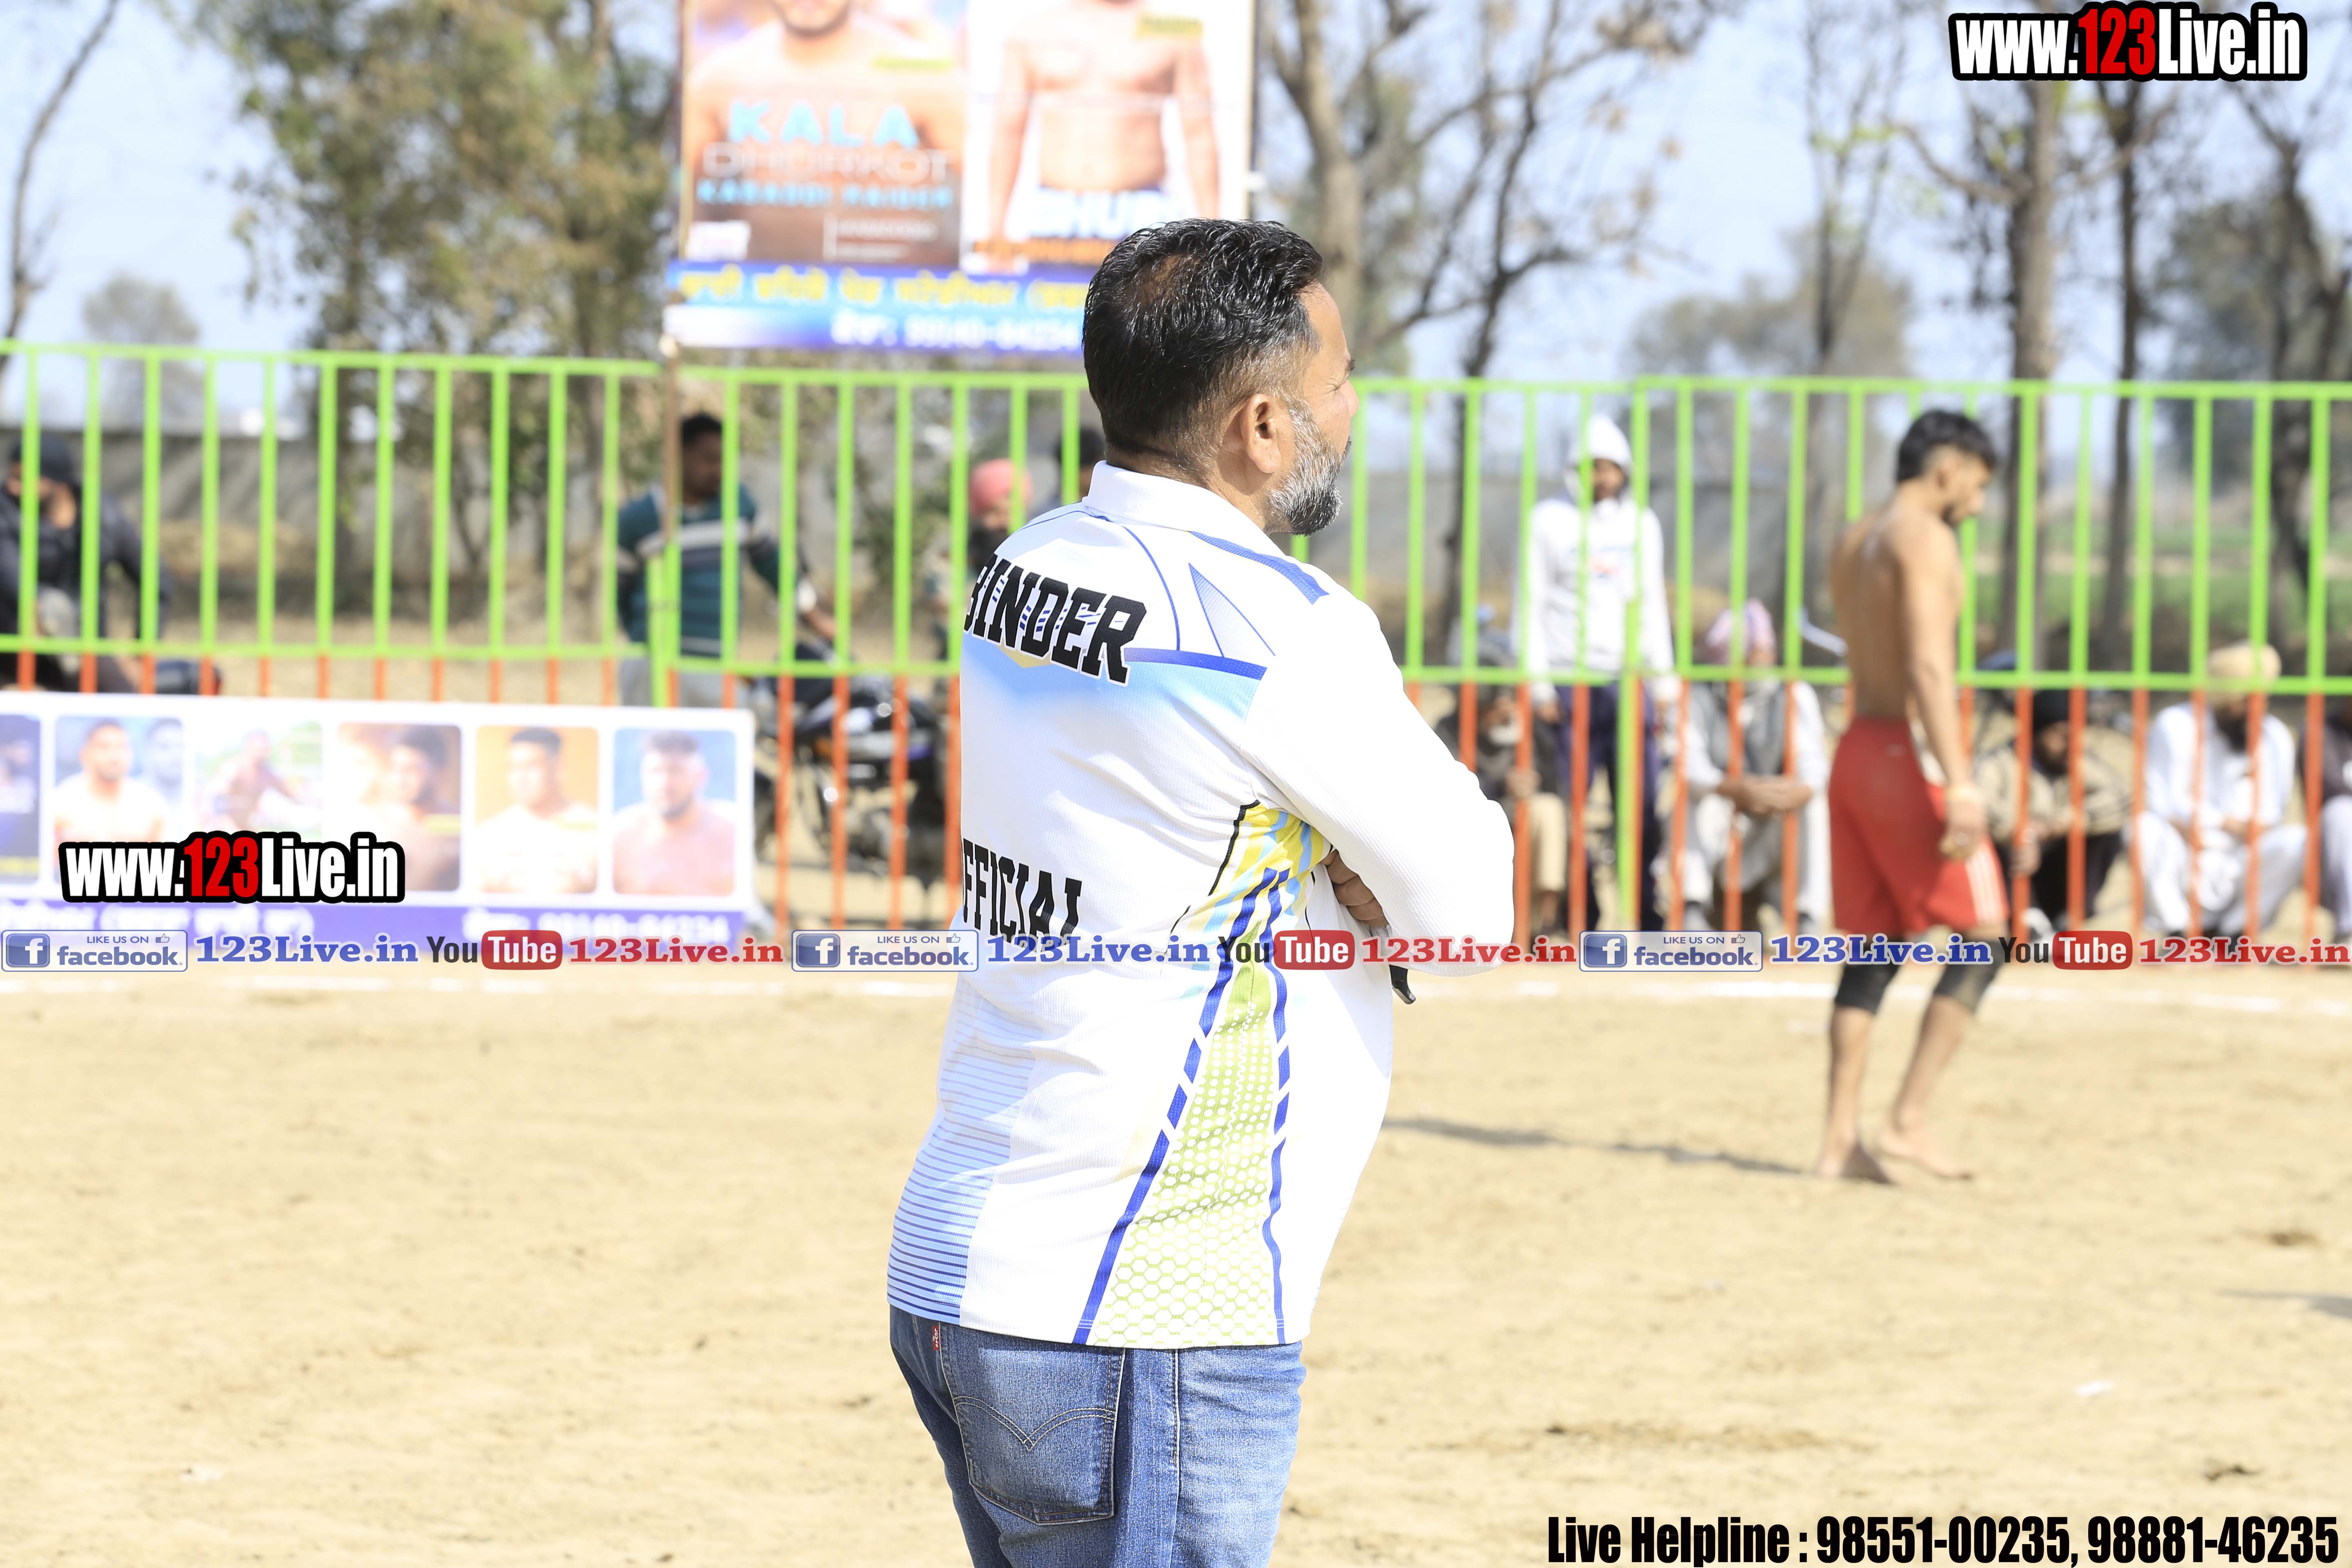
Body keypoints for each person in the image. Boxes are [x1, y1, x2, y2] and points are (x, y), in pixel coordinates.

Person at [886, 219, 1513, 1568]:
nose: (1354, 409)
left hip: (964, 1265)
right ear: (1263, 428)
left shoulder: (1026, 565)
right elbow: (1470, 915)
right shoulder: (1282, 628)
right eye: (1340, 380)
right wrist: (1352, 873)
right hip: (1149, 1303)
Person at [1819, 410, 2007, 1184]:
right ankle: (1908, 1119)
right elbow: (1930, 666)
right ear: (1948, 468)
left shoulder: (1855, 538)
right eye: (1978, 485)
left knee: (1873, 949)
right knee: (1987, 936)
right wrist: (1959, 782)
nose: (1978, 504)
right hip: (1907, 756)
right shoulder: (1925, 537)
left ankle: (1838, 1141)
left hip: (1857, 750)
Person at [1514, 414, 1675, 929]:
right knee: (1572, 807)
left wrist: (1664, 681)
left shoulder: (1641, 524)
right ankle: (1582, 912)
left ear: (1624, 470)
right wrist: (1538, 685)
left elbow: (1652, 604)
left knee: (1642, 803)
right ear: (1575, 469)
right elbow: (1530, 603)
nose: (1602, 477)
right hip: (1567, 683)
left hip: (1627, 681)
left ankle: (1646, 909)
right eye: (1593, 467)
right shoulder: (1548, 521)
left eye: (1610, 467)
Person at [680, 0, 964, 267]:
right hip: (758, 290)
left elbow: (982, 204)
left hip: (894, 292)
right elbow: (681, 208)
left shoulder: (926, 78)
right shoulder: (718, 80)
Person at [615, 412, 834, 708]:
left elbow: (774, 566)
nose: (717, 469)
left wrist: (815, 617)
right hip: (654, 664)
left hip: (716, 664)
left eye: (723, 460)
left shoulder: (739, 506)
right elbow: (620, 592)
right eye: (709, 459)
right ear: (679, 456)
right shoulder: (639, 518)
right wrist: (644, 634)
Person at [980, 0, 1219, 267]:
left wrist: (1212, 237)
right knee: (1047, 294)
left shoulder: (1173, 33)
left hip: (1141, 214)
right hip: (1056, 214)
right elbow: (1008, 132)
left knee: (1147, 295)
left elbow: (1199, 135)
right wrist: (996, 231)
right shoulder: (1033, 31)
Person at [1657, 600, 1830, 934]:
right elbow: (1688, 765)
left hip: (1773, 821)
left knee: (1814, 805)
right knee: (1688, 800)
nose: (1765, 659)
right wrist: (1737, 790)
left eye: (1767, 651)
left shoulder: (1793, 694)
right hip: (1721, 822)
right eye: (1755, 653)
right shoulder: (1696, 694)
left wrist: (1785, 793)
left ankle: (1808, 918)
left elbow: (1814, 768)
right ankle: (1692, 910)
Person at [2136, 643, 2304, 939]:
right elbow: (2158, 802)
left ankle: (2235, 933)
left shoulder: (2274, 737)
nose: (2255, 709)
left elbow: (2273, 814)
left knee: (2298, 841)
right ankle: (2179, 932)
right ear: (2223, 699)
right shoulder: (2175, 726)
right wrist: (2219, 823)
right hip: (2186, 850)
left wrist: (2240, 828)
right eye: (2245, 701)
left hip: (2243, 855)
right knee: (2143, 830)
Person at [2, 435, 170, 693]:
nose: (12, 487)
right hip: (14, 642)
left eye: (23, 479)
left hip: (86, 645)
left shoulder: (103, 516)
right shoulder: (5, 512)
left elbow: (155, 580)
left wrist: (140, 652)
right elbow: (12, 577)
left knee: (123, 704)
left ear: (57, 482)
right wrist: (39, 603)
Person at [1971, 682, 2130, 933]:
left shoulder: (2078, 762)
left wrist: (2056, 825)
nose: (2070, 744)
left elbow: (2122, 798)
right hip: (2013, 866)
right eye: (2061, 735)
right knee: (1989, 841)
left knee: (2108, 832)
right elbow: (1978, 804)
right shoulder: (1999, 763)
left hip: (2057, 867)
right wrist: (2022, 833)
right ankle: (2026, 921)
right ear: (2036, 733)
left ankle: (2070, 917)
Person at [611, 731, 738, 896]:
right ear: (643, 776)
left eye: (676, 771)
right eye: (655, 771)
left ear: (700, 776)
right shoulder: (620, 835)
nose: (665, 783)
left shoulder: (733, 830)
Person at [476, 728, 599, 895]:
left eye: (531, 766)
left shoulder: (594, 829)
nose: (521, 778)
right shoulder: (489, 834)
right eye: (513, 768)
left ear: (557, 769)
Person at [350, 727, 461, 892]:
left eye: (412, 769)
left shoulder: (459, 825)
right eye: (397, 768)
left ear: (439, 773)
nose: (401, 779)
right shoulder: (372, 827)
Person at [52, 719, 172, 846]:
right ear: (85, 754)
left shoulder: (151, 805)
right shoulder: (61, 803)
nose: (114, 756)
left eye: (121, 747)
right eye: (104, 747)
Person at [2303, 688, 2352, 941]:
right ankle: (2349, 930)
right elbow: (2330, 786)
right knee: (2342, 811)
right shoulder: (2322, 731)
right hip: (2327, 849)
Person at [202, 728, 307, 831]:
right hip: (221, 827)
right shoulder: (234, 769)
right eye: (261, 749)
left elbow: (289, 792)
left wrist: (307, 797)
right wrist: (228, 827)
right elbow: (215, 798)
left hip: (243, 827)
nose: (265, 753)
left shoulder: (266, 774)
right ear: (250, 747)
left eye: (266, 749)